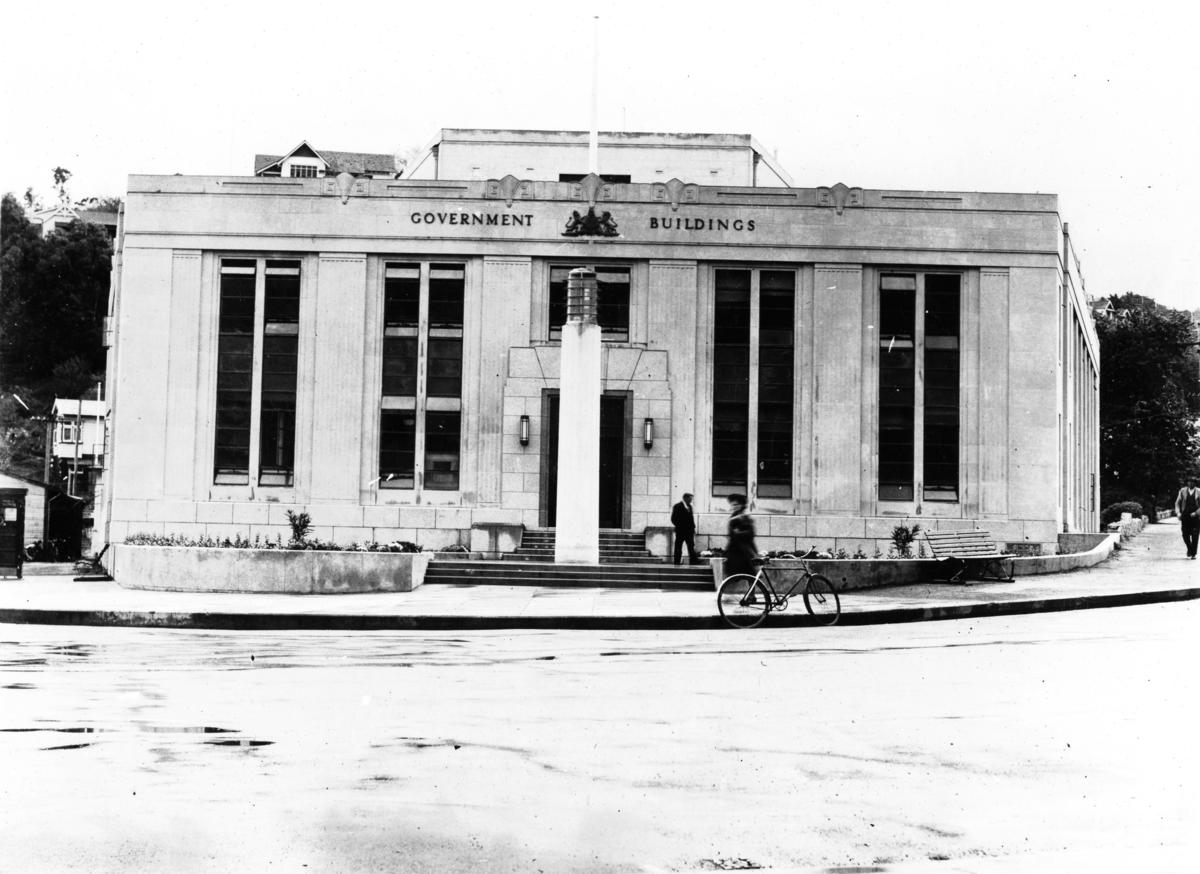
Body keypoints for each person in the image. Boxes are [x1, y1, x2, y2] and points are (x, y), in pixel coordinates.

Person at [723, 493, 759, 578]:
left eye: (736, 504)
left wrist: (738, 533)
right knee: (733, 575)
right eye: (732, 505)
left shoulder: (745, 518)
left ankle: (751, 591)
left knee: (750, 575)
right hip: (735, 550)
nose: (734, 507)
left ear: (742, 505)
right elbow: (732, 534)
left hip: (745, 550)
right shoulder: (733, 518)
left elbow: (751, 533)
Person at [1174, 475, 1200, 560]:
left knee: (1195, 535)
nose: (1190, 483)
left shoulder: (1199, 491)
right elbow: (1177, 503)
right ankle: (1189, 548)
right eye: (1189, 481)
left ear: (1195, 483)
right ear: (1187, 483)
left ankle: (1193, 553)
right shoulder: (1182, 491)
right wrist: (1178, 513)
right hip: (1185, 515)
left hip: (1196, 517)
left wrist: (1196, 513)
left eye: (1192, 482)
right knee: (1185, 534)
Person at [670, 492, 698, 566]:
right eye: (690, 499)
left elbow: (691, 519)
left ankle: (693, 562)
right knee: (678, 547)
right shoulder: (677, 506)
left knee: (691, 546)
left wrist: (693, 528)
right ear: (685, 498)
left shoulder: (690, 507)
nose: (691, 500)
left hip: (689, 531)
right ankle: (677, 562)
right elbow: (673, 519)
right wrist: (680, 526)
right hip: (680, 531)